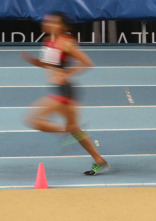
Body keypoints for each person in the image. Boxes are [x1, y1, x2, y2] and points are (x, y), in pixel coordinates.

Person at [22, 11, 109, 175]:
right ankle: (99, 160)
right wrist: (36, 62)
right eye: (47, 21)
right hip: (60, 90)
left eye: (53, 22)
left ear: (62, 26)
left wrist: (67, 73)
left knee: (33, 119)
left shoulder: (67, 43)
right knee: (75, 129)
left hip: (65, 92)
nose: (47, 24)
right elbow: (50, 65)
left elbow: (86, 63)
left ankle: (64, 134)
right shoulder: (48, 41)